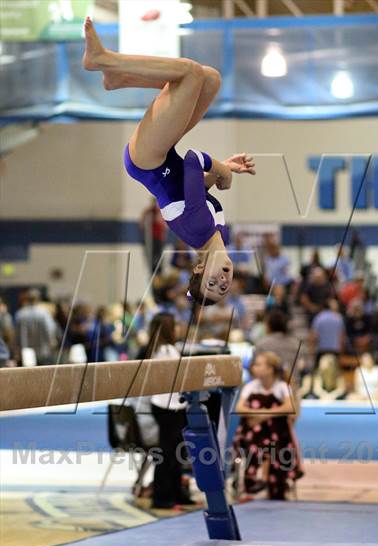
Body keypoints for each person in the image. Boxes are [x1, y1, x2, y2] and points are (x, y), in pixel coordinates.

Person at [83, 17, 255, 305]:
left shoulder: (200, 230)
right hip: (165, 158)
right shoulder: (218, 233)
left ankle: (104, 59)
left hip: (149, 161)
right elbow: (194, 190)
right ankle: (118, 79)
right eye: (223, 287)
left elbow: (191, 161)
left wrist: (223, 171)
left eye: (211, 282)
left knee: (189, 73)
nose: (223, 280)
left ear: (199, 268)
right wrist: (220, 169)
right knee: (210, 78)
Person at [145, 312, 194, 509]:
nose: (179, 329)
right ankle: (162, 496)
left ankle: (175, 492)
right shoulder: (165, 352)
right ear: (168, 329)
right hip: (166, 406)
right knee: (168, 453)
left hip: (170, 405)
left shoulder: (162, 350)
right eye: (175, 326)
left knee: (176, 453)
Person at [234, 352, 299, 500]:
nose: (253, 367)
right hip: (252, 435)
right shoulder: (250, 386)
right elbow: (239, 409)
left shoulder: (282, 387)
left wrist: (262, 415)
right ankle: (260, 478)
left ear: (270, 369)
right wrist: (265, 414)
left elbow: (289, 408)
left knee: (269, 440)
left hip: (277, 435)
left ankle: (263, 478)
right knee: (261, 438)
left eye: (258, 364)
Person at [310, 299, 345, 366]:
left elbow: (314, 336)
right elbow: (342, 338)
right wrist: (341, 354)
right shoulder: (339, 318)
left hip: (321, 351)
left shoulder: (319, 318)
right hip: (335, 352)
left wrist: (312, 352)